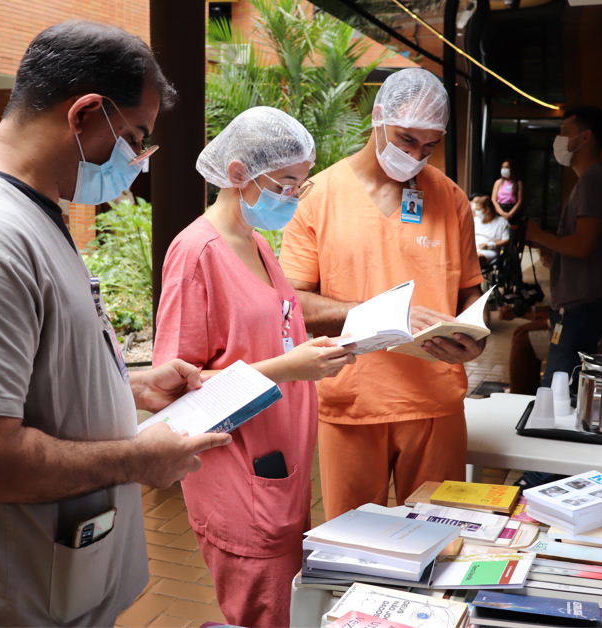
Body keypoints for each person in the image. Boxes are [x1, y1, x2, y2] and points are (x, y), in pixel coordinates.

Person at [0, 21, 232, 627]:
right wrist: (139, 459)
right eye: (134, 137)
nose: (137, 161)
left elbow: (26, 383)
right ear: (85, 114)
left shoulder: (28, 212)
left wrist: (134, 387)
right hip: (8, 597)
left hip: (51, 582)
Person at [154, 107, 356, 627]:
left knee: (282, 606)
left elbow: (275, 332)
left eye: (300, 185)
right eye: (286, 183)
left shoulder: (259, 243)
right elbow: (178, 389)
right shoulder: (196, 253)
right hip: (239, 474)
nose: (293, 197)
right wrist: (290, 367)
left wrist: (317, 353)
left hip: (281, 467)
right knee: (261, 614)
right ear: (239, 173)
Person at [280, 68, 486, 521]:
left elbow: (472, 296)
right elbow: (293, 304)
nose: (415, 156)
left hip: (436, 405)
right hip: (352, 402)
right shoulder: (319, 197)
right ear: (378, 117)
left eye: (429, 146)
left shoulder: (449, 199)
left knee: (441, 543)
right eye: (406, 140)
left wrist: (476, 339)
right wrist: (386, 314)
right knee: (353, 550)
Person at [525, 106, 602, 386]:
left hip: (580, 307)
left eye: (565, 132)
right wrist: (553, 252)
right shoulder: (595, 178)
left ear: (585, 137)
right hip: (582, 304)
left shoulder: (594, 179)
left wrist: (539, 234)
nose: (559, 138)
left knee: (558, 391)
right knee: (565, 385)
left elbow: (583, 246)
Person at [472, 194, 509, 268]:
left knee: (474, 258)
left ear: (487, 209)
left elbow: (506, 240)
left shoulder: (501, 222)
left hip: (489, 250)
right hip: (472, 248)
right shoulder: (475, 220)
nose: (476, 212)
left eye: (478, 210)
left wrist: (489, 245)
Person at [492, 160, 523, 224]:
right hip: (500, 209)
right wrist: (502, 213)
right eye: (502, 167)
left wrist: (509, 214)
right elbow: (493, 200)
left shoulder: (518, 183)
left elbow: (520, 201)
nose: (504, 169)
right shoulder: (498, 182)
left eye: (506, 167)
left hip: (513, 211)